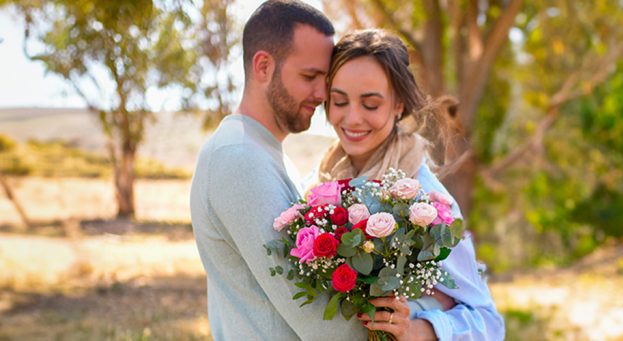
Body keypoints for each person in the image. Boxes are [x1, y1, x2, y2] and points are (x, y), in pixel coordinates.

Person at [189, 1, 366, 339]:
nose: (322, 93)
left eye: (325, 79)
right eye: (310, 76)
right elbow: (313, 312)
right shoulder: (239, 157)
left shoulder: (264, 152)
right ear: (264, 66)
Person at [318, 29, 506, 340]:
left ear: (399, 104)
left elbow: (489, 323)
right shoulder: (320, 181)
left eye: (371, 104)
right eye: (339, 101)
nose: (352, 118)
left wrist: (417, 327)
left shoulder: (425, 201)